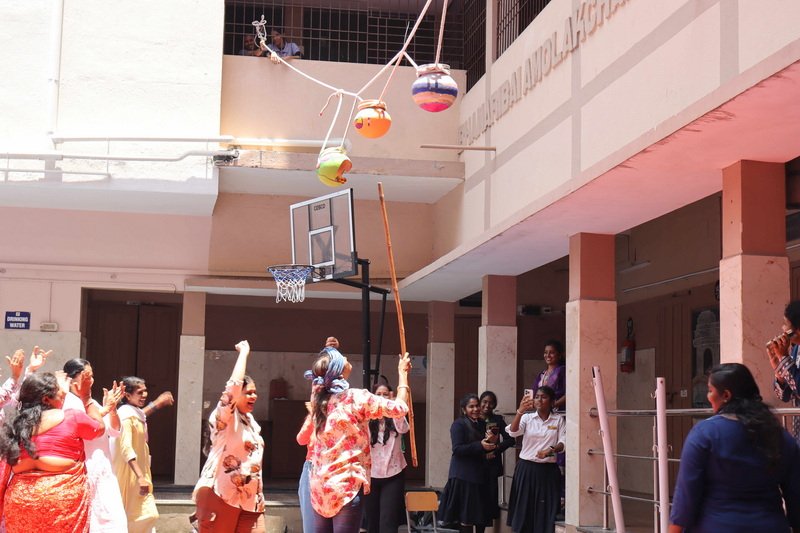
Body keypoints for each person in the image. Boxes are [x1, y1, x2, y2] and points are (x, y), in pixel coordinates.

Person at [669, 363, 800, 532]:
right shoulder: (780, 436)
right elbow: (796, 497)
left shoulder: (704, 435)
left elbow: (685, 499)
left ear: (726, 395)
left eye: (710, 390)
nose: (708, 397)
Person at [307, 345, 411, 533]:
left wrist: (329, 351)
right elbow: (400, 409)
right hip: (346, 485)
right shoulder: (356, 397)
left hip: (320, 486)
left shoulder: (318, 398)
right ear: (339, 371)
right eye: (342, 358)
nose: (346, 358)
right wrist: (403, 375)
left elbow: (323, 376)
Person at [0, 371, 106, 532]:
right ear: (46, 399)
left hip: (21, 500)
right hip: (62, 498)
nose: (63, 394)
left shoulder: (16, 425)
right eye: (58, 391)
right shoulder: (73, 417)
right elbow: (99, 428)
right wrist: (86, 397)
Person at [193, 340, 266, 532]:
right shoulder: (225, 418)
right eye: (248, 393)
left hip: (251, 501)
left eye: (255, 393)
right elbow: (232, 389)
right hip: (221, 496)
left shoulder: (251, 423)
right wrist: (243, 353)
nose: (254, 396)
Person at [63, 358, 127, 532]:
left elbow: (114, 431)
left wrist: (112, 409)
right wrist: (100, 407)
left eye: (92, 376)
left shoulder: (92, 403)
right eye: (87, 376)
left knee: (112, 521)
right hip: (83, 471)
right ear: (71, 379)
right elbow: (90, 428)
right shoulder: (67, 402)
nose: (91, 380)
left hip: (104, 469)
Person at [112, 376, 173, 533]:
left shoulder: (135, 414)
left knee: (144, 516)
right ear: (127, 395)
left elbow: (142, 415)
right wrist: (140, 477)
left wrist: (157, 403)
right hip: (130, 474)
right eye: (140, 392)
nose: (144, 395)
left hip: (140, 472)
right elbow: (126, 448)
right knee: (140, 516)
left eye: (145, 391)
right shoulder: (125, 415)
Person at [505, 386, 565, 533]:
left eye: (544, 397)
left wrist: (550, 450)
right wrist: (520, 411)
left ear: (552, 402)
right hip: (526, 469)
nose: (539, 400)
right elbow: (513, 432)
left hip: (548, 471)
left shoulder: (558, 420)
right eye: (537, 397)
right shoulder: (527, 418)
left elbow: (563, 442)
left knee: (545, 511)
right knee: (524, 509)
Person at [297, 336, 341, 533]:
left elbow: (343, 369)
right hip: (313, 468)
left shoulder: (342, 405)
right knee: (312, 528)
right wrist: (314, 412)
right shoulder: (316, 407)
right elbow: (302, 439)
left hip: (336, 469)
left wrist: (334, 352)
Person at [439, 393, 498, 533]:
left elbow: (485, 447)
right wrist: (480, 445)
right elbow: (457, 449)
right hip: (464, 477)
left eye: (477, 406)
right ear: (464, 409)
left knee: (481, 517)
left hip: (481, 476)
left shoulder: (483, 424)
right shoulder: (458, 424)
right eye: (471, 406)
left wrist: (491, 443)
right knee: (466, 518)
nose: (476, 409)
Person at [364, 383, 410, 533]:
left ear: (391, 397)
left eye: (385, 394)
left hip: (393, 474)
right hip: (370, 475)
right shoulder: (366, 417)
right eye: (378, 394)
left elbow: (404, 428)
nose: (382, 398)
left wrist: (395, 405)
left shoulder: (396, 416)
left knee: (388, 521)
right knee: (372, 521)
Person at [767, 300, 800, 440]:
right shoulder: (796, 349)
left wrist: (784, 357)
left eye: (785, 324)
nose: (782, 328)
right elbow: (785, 396)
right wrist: (778, 370)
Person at [479, 391, 514, 519]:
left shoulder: (497, 420)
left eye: (491, 403)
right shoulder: (474, 419)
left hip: (492, 463)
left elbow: (510, 439)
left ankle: (488, 522)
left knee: (490, 495)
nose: (487, 405)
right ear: (480, 402)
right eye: (485, 402)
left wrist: (496, 449)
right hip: (476, 463)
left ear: (494, 405)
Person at [531, 340, 566, 411]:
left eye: (552, 352)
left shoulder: (563, 371)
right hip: (542, 412)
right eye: (546, 352)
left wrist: (554, 404)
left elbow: (570, 393)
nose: (548, 355)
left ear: (559, 355)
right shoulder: (542, 374)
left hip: (558, 412)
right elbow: (533, 393)